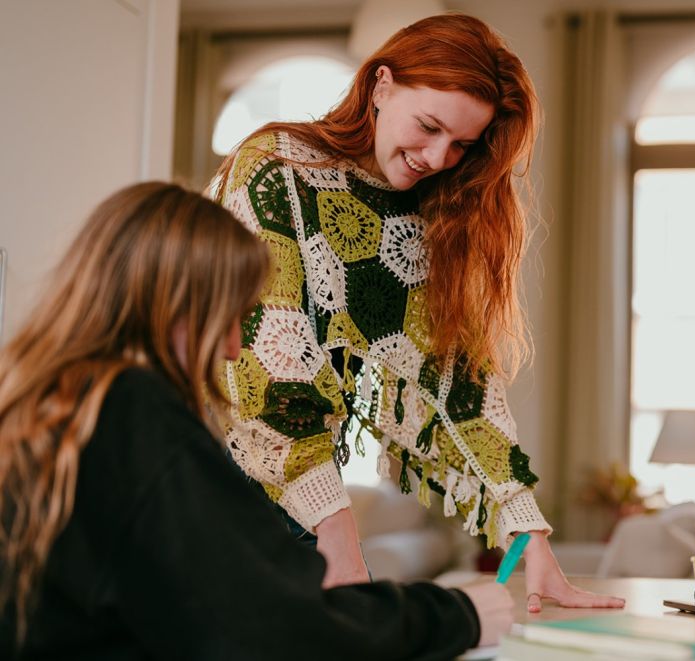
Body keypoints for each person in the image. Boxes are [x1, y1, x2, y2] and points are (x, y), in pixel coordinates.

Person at [215, 13, 624, 613]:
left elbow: (460, 384)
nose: (438, 157)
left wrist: (529, 536)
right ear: (381, 87)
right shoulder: (276, 173)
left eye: (461, 145)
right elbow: (269, 363)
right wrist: (338, 539)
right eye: (429, 127)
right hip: (212, 473)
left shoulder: (426, 216)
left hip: (298, 499)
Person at [0, 182, 511, 660]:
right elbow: (273, 623)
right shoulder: (131, 413)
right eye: (230, 316)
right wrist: (461, 614)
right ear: (178, 304)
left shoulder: (47, 406)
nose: (233, 347)